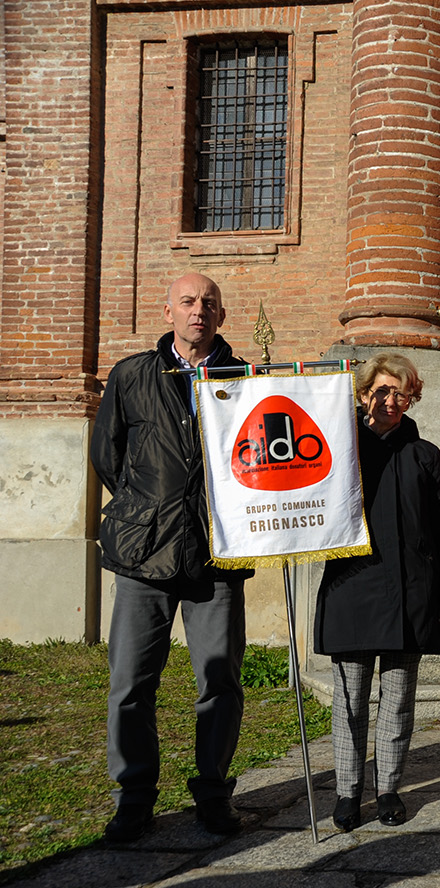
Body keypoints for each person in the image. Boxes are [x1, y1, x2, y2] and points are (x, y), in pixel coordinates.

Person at [91, 272, 251, 841]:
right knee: (131, 683)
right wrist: (147, 510)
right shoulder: (132, 376)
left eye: (208, 303)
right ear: (169, 312)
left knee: (220, 682)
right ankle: (133, 798)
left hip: (215, 555)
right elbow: (107, 457)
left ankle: (212, 793)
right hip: (144, 555)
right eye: (188, 302)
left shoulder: (244, 379)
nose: (198, 311)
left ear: (222, 317)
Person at [313, 353, 440, 831]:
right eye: (380, 391)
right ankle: (347, 792)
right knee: (351, 700)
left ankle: (389, 790)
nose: (390, 400)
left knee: (397, 700)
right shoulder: (340, 449)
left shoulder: (425, 456)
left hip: (411, 594)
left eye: (401, 392)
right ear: (362, 395)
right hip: (351, 588)